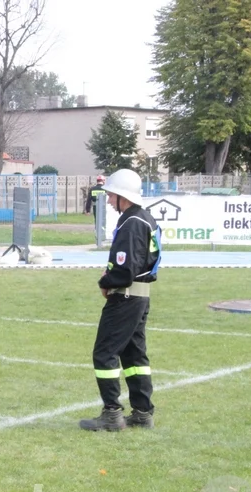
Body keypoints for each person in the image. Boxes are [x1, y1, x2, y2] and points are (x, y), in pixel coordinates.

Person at [79, 168, 161, 432]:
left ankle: (112, 413)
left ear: (121, 196)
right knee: (134, 356)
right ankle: (142, 412)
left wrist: (105, 281)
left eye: (111, 195)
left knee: (104, 354)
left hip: (125, 297)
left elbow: (125, 271)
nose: (110, 201)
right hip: (139, 297)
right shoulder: (145, 218)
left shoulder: (131, 222)